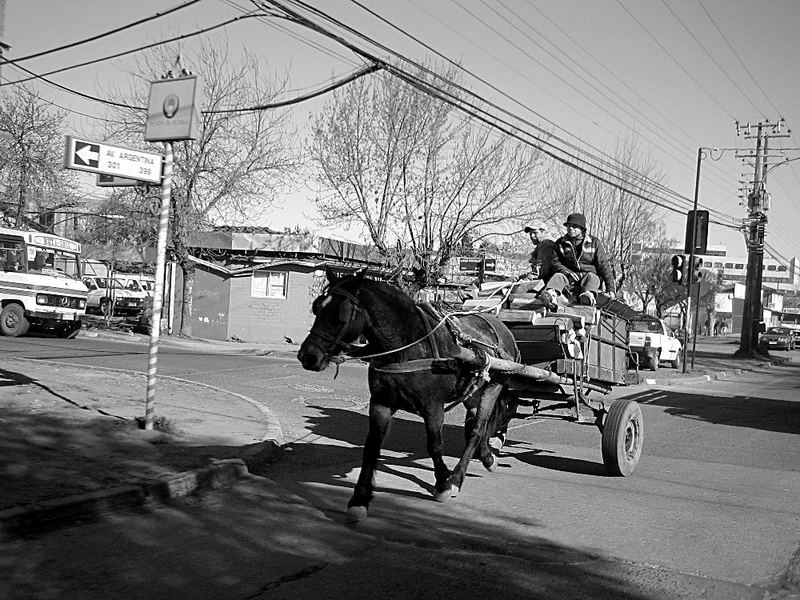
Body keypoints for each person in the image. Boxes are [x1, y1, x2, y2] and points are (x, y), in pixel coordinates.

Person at [539, 212, 615, 308]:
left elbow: (604, 265)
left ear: (582, 229)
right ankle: (550, 295)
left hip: (587, 277)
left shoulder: (594, 243)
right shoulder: (560, 243)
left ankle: (588, 296)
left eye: (574, 226)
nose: (570, 228)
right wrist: (568, 273)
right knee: (558, 276)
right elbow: (555, 262)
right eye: (569, 225)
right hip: (569, 278)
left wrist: (611, 289)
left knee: (593, 278)